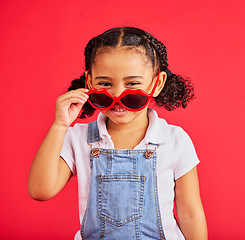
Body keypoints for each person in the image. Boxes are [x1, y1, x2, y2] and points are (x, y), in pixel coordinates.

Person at [28, 27, 208, 240]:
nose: (117, 96)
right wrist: (60, 125)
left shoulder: (175, 140)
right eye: (105, 84)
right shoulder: (78, 138)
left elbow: (191, 214)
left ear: (157, 83)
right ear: (89, 81)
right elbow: (40, 190)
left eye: (132, 84)